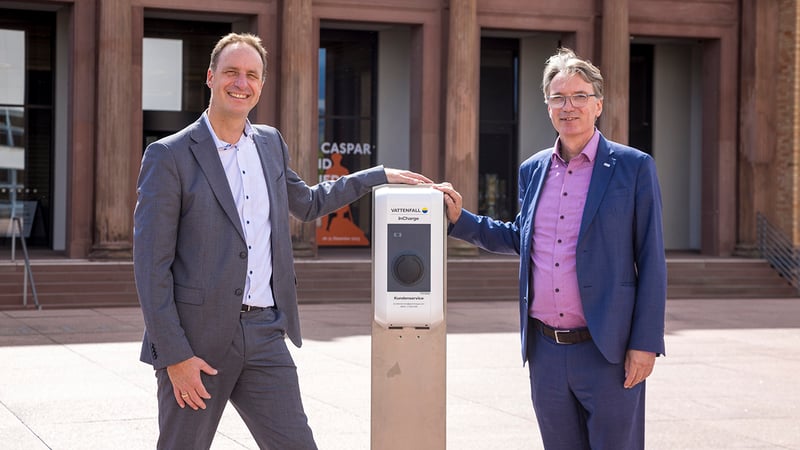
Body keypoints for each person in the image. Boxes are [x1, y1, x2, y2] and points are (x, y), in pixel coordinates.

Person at [133, 32, 432, 449]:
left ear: (261, 84)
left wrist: (375, 176)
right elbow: (151, 267)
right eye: (232, 72)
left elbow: (308, 202)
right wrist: (175, 356)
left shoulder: (269, 143)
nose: (242, 83)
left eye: (252, 75)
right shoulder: (169, 155)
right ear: (210, 77)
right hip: (197, 341)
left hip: (265, 333)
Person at [436, 48, 667, 449]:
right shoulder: (533, 169)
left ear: (598, 105)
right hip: (546, 353)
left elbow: (651, 261)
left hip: (608, 351)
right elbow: (520, 238)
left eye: (579, 96)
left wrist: (645, 344)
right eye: (558, 98)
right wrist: (461, 220)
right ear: (547, 107)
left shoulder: (633, 167)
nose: (569, 106)